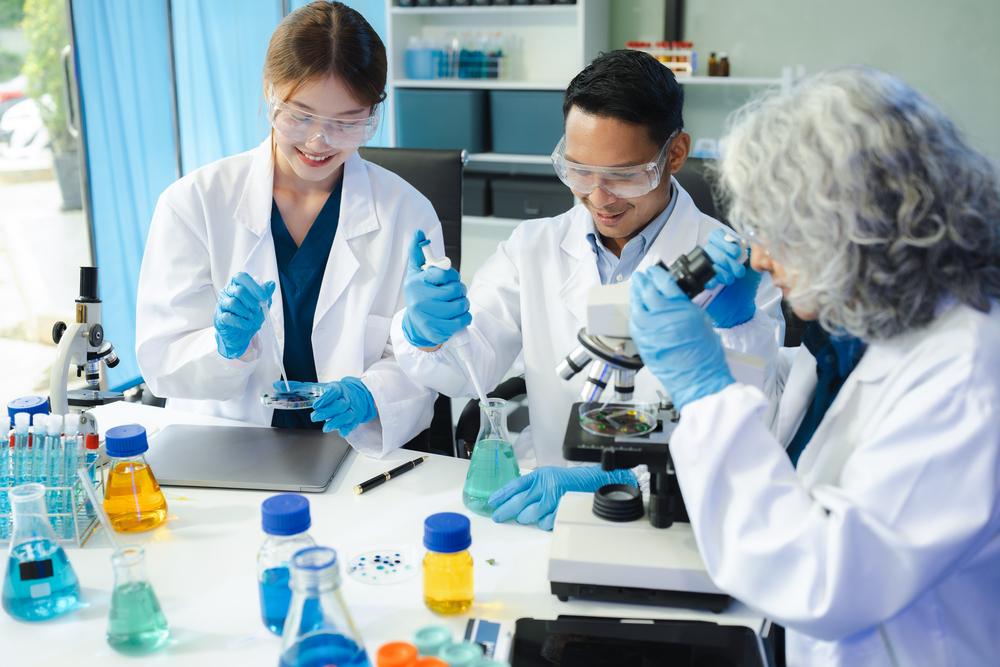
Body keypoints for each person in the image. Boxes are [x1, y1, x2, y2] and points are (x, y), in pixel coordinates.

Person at [629, 67, 1000, 665]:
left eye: (778, 232)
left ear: (854, 229)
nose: (758, 254)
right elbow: (788, 448)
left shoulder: (967, 375)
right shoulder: (887, 328)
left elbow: (821, 577)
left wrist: (703, 391)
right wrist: (732, 331)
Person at [391, 50, 784, 529]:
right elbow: (466, 371)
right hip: (549, 506)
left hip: (684, 514)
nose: (599, 197)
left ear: (675, 154)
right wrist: (427, 330)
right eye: (579, 171)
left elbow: (754, 431)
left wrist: (740, 326)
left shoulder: (733, 269)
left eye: (622, 175)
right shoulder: (531, 249)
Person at [136, 2, 442, 455]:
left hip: (354, 456)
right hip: (223, 449)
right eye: (300, 116)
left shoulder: (407, 214)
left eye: (346, 122)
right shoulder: (194, 203)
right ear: (269, 92)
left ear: (372, 113)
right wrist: (225, 349)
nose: (319, 142)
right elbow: (162, 362)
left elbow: (421, 362)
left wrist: (371, 394)